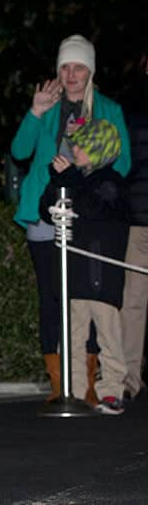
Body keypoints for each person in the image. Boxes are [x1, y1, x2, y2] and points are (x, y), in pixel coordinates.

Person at [11, 34, 131, 404]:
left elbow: (123, 164)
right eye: (65, 66)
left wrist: (90, 148)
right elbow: (19, 151)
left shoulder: (109, 108)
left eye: (79, 66)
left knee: (88, 297)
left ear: (90, 70)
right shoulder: (47, 106)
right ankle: (58, 381)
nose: (71, 73)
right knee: (51, 297)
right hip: (45, 213)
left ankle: (90, 383)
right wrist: (35, 112)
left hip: (89, 220)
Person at [38, 119, 128, 414]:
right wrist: (56, 181)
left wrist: (71, 178)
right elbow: (46, 210)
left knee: (108, 335)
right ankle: (74, 391)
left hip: (102, 275)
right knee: (73, 336)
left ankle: (113, 390)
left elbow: (94, 207)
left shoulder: (111, 182)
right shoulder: (76, 179)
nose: (74, 148)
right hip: (74, 274)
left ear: (99, 149)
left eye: (82, 144)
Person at [120, 50, 148, 402]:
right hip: (138, 212)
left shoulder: (126, 100)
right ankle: (128, 374)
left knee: (135, 298)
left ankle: (129, 375)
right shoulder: (129, 101)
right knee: (134, 297)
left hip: (136, 211)